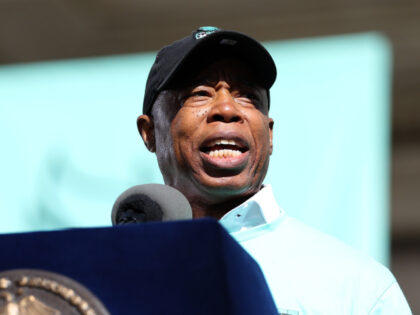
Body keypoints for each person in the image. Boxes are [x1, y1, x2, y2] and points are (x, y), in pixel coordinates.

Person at [137, 26, 412, 314]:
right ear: (150, 132)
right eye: (200, 93)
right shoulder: (113, 270)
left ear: (269, 136)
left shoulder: (361, 286)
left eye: (248, 97)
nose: (227, 109)